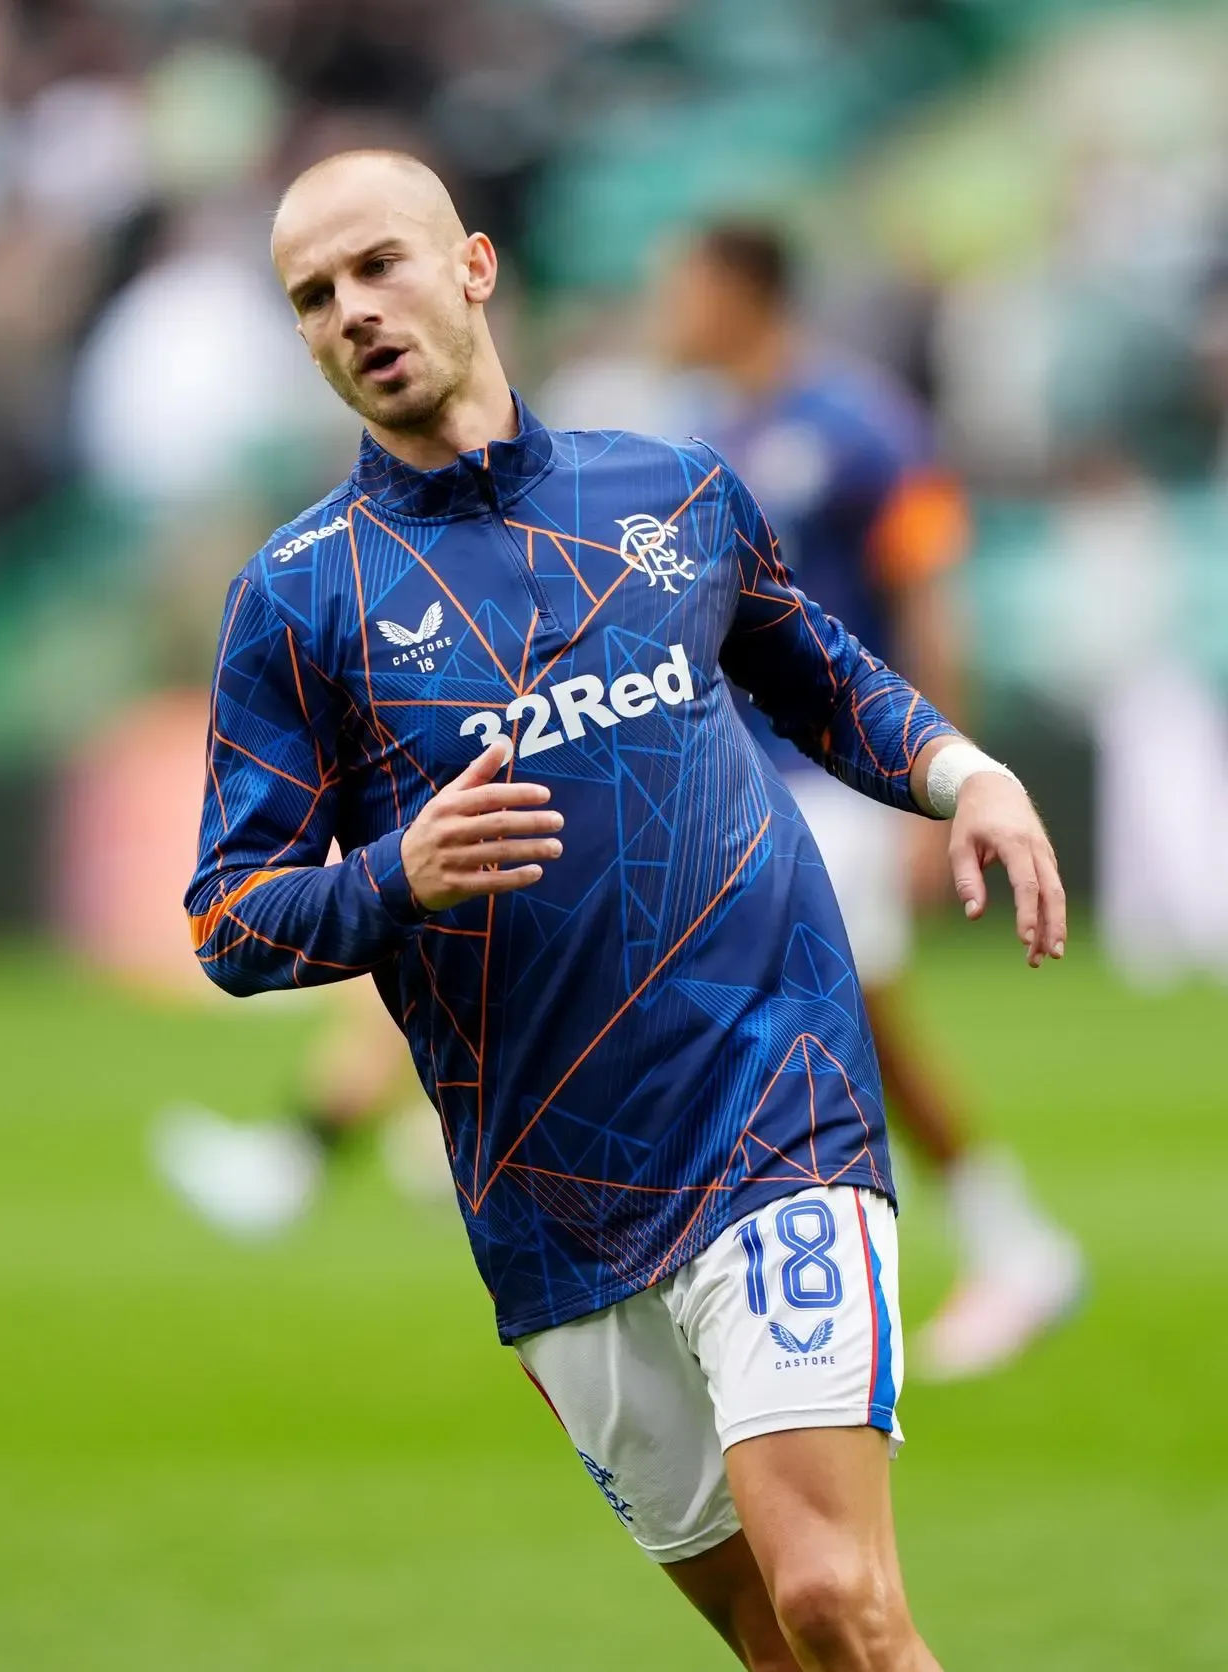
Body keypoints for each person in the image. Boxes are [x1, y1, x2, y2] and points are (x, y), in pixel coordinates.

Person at [186, 149, 1067, 1671]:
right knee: (777, 1645)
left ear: (472, 265)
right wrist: (397, 874)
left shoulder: (668, 492)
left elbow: (818, 671)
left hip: (769, 1103)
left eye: (379, 267)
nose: (353, 314)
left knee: (840, 1603)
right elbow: (229, 917)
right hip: (548, 1193)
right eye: (313, 298)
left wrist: (960, 770)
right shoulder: (296, 600)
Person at [654, 222, 1084, 1381]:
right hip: (747, 788)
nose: (666, 306)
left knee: (851, 1036)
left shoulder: (857, 423)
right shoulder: (707, 435)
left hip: (841, 786)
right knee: (832, 1035)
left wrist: (934, 791)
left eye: (681, 284)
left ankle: (989, 1249)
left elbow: (928, 599)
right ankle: (986, 1247)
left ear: (742, 291)